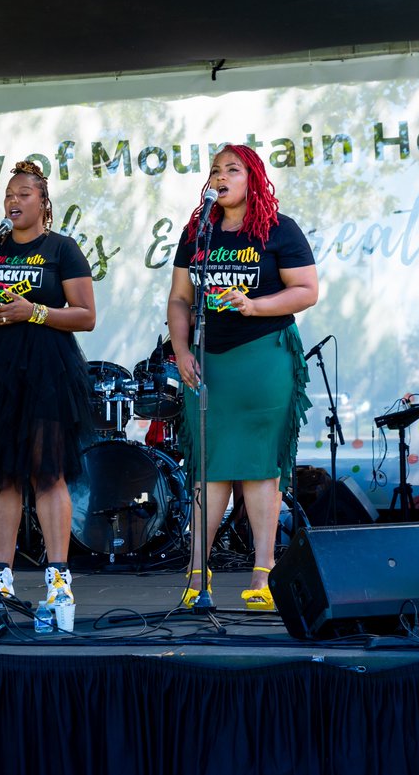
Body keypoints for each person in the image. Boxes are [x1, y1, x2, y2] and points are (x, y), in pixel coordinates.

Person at [166, 144, 318, 611]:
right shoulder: (199, 231)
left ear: (253, 178)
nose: (221, 176)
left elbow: (307, 291)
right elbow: (179, 297)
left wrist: (254, 305)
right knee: (208, 466)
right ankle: (197, 569)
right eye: (215, 170)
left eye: (232, 169)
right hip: (208, 361)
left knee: (257, 468)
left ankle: (264, 571)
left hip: (262, 358)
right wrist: (180, 348)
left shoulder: (278, 230)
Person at [0, 160, 96, 608]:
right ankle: (1, 577)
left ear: (44, 202)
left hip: (48, 371)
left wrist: (32, 312)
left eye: (23, 194)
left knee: (47, 472)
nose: (14, 201)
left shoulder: (62, 249)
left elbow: (86, 316)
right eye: (9, 195)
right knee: (1, 475)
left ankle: (58, 579)